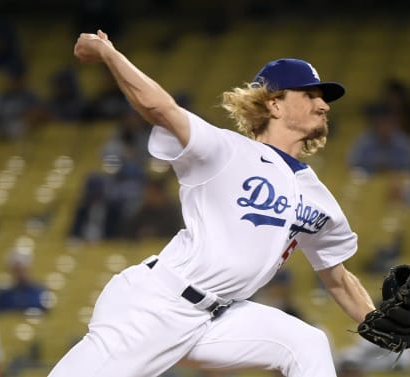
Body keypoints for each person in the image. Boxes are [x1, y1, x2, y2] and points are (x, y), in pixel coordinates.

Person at [48, 30, 377, 377]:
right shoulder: (226, 150)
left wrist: (376, 321)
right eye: (309, 95)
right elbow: (159, 108)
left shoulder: (318, 196)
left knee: (306, 342)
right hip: (157, 305)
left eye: (323, 99)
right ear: (274, 103)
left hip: (216, 319)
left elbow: (337, 278)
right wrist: (109, 53)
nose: (323, 105)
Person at [0, 248, 49, 313]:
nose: (21, 274)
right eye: (17, 270)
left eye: (24, 270)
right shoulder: (4, 295)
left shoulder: (42, 292)